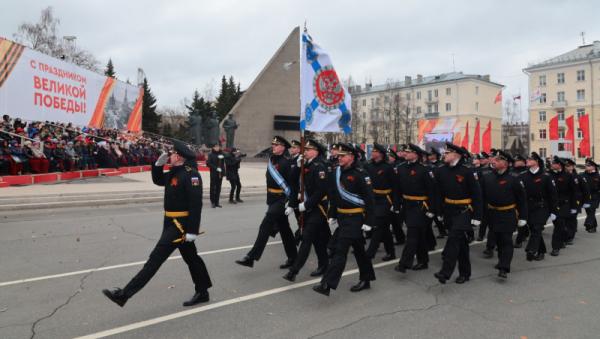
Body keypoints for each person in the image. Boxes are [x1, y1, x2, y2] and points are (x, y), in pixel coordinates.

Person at [102, 141, 212, 307]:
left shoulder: (191, 175)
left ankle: (124, 294)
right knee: (192, 258)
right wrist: (157, 165)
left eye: (172, 153)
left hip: (180, 226)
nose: (170, 156)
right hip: (169, 222)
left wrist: (192, 231)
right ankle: (203, 291)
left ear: (179, 157)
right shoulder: (175, 172)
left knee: (154, 260)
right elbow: (159, 180)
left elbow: (196, 205)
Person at [313, 143, 376, 296]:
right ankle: (366, 278)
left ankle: (327, 284)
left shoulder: (361, 173)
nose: (338, 158)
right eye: (338, 155)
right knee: (359, 250)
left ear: (351, 157)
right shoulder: (337, 171)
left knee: (339, 251)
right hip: (342, 217)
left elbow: (370, 200)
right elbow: (334, 196)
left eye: (342, 156)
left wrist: (369, 221)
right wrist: (332, 215)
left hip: (355, 218)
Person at [235, 136, 298, 269]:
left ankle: (251, 257)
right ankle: (293, 258)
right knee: (284, 229)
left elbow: (294, 186)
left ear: (282, 147)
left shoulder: (288, 163)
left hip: (282, 199)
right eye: (273, 144)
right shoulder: (272, 159)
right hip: (272, 199)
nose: (273, 147)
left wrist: (291, 203)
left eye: (276, 145)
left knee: (266, 224)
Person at [433, 142, 482, 284]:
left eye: (447, 153)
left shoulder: (468, 171)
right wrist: (439, 211)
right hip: (449, 211)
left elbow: (477, 195)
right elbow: (439, 193)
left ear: (456, 155)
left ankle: (445, 273)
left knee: (453, 239)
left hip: (464, 211)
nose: (444, 155)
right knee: (461, 245)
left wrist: (477, 216)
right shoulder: (442, 171)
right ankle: (465, 273)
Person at [283, 139, 331, 281]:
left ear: (316, 151)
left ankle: (293, 271)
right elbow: (292, 181)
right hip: (309, 207)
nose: (305, 152)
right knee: (318, 240)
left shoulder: (320, 166)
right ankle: (324, 265)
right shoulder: (305, 164)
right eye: (305, 149)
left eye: (308, 150)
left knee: (307, 238)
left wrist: (307, 204)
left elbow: (321, 191)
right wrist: (297, 167)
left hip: (318, 208)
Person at [480, 150, 527, 279]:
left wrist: (523, 217)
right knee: (499, 241)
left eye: (498, 160)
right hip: (492, 213)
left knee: (506, 240)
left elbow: (522, 200)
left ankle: (504, 267)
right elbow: (482, 197)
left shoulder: (514, 179)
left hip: (508, 213)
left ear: (506, 163)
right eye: (494, 160)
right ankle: (502, 261)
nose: (494, 162)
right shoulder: (488, 177)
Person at [394, 144, 437, 273]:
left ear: (416, 154)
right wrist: (396, 205)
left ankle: (404, 263)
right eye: (405, 151)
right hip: (407, 205)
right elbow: (397, 189)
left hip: (420, 206)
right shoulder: (400, 168)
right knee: (420, 235)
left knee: (412, 234)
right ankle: (423, 261)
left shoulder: (425, 170)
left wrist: (432, 209)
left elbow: (433, 192)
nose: (405, 153)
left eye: (408, 152)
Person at [521, 152, 558, 261]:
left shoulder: (546, 176)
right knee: (533, 229)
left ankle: (531, 250)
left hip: (542, 207)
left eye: (530, 159)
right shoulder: (523, 176)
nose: (527, 160)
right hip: (529, 207)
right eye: (527, 159)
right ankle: (541, 251)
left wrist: (554, 211)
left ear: (536, 161)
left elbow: (553, 195)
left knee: (537, 228)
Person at [364, 143, 396, 262]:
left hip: (384, 199)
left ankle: (369, 253)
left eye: (375, 151)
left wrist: (395, 203)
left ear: (381, 154)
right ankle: (391, 252)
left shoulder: (388, 167)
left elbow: (395, 186)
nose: (372, 152)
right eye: (372, 151)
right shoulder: (368, 166)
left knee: (377, 225)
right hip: (373, 199)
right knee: (385, 229)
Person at [548, 156, 577, 256]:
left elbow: (574, 192)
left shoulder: (568, 176)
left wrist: (574, 207)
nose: (551, 165)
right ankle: (564, 238)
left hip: (564, 204)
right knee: (559, 226)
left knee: (559, 225)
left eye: (553, 163)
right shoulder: (548, 175)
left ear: (559, 165)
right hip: (552, 204)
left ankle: (556, 247)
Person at [582, 158, 600, 233]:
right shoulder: (583, 175)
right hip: (586, 197)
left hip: (595, 196)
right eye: (586, 165)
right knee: (589, 211)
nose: (586, 167)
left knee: (592, 210)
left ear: (593, 167)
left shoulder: (598, 176)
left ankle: (588, 223)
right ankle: (593, 226)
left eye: (588, 165)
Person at [207, 143, 225, 208]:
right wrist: (216, 168)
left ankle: (217, 202)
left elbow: (223, 164)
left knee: (218, 188)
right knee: (213, 188)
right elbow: (208, 163)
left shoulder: (221, 154)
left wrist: (223, 172)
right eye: (216, 147)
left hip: (220, 174)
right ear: (213, 148)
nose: (217, 148)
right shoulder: (211, 154)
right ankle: (213, 202)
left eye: (218, 147)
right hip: (213, 173)